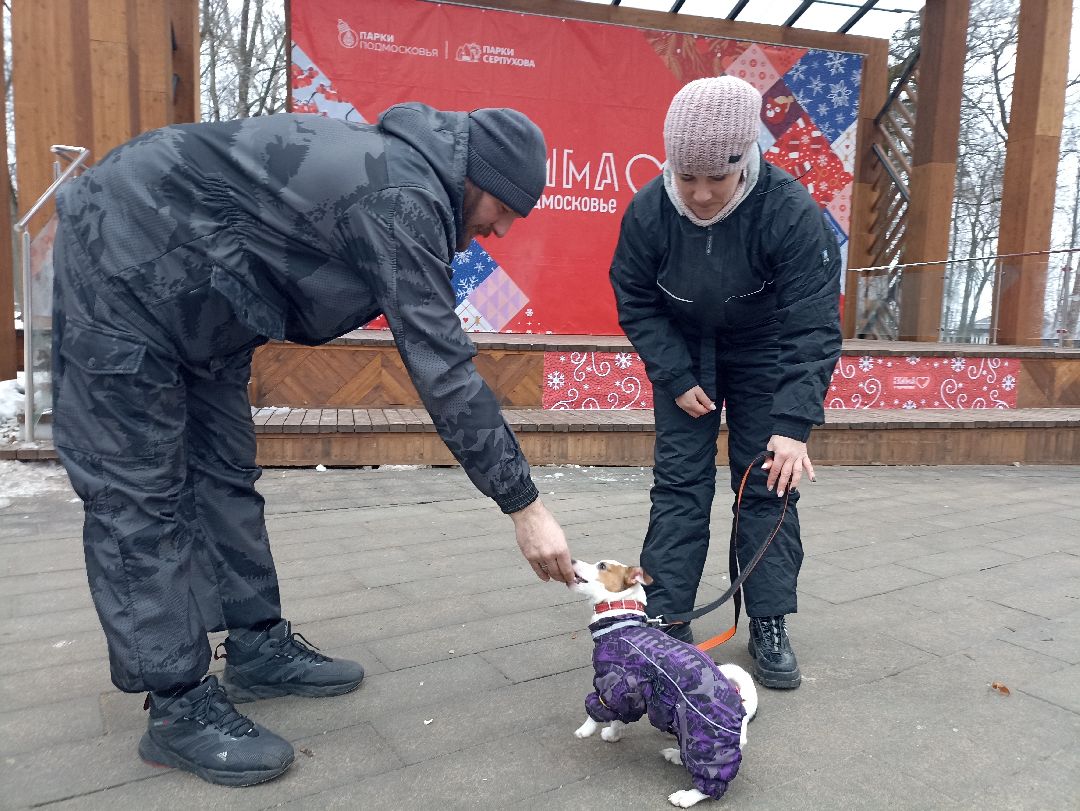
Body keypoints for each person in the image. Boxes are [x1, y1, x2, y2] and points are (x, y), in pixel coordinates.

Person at [50, 102, 575, 786]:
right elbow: (443, 367)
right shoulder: (399, 193)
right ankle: (177, 705)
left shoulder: (409, 181)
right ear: (475, 177)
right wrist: (524, 505)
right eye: (503, 208)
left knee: (224, 470)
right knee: (139, 491)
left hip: (205, 297)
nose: (501, 229)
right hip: (121, 258)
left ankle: (257, 645)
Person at [608, 76, 842, 690]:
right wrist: (673, 373)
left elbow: (813, 323)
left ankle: (768, 619)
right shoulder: (649, 210)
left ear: (745, 158)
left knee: (766, 481)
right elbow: (635, 297)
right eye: (687, 176)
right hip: (685, 349)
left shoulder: (788, 209)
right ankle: (667, 616)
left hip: (765, 347)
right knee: (679, 484)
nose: (702, 193)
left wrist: (792, 425)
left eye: (718, 176)